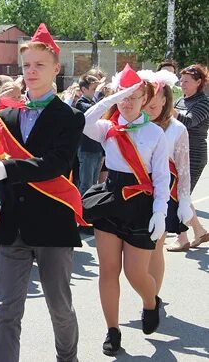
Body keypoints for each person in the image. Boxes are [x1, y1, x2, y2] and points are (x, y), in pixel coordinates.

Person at [0, 24, 83, 362]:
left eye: (39, 65)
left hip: (53, 224)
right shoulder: (6, 115)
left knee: (59, 307)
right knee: (7, 310)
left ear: (56, 68)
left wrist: (6, 168)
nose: (32, 71)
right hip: (13, 226)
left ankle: (67, 358)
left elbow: (55, 164)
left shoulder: (69, 116)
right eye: (26, 66)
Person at [80, 64, 169, 356]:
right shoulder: (108, 128)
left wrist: (160, 211)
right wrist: (108, 100)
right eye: (123, 95)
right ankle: (113, 330)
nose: (128, 102)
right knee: (108, 270)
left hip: (141, 204)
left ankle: (150, 302)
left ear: (146, 99)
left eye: (134, 96)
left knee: (135, 273)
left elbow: (160, 178)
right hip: (110, 200)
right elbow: (83, 122)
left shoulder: (155, 133)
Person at [141, 69, 193, 297]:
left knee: (155, 249)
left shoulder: (177, 129)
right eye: (145, 104)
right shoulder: (135, 123)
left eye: (153, 106)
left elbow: (183, 169)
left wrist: (184, 202)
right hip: (135, 193)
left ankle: (152, 298)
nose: (148, 111)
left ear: (165, 100)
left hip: (162, 195)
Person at [170, 64, 209, 250]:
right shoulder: (181, 101)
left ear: (198, 82)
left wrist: (166, 107)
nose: (182, 84)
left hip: (194, 154)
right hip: (178, 152)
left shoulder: (204, 102)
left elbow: (189, 121)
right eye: (181, 80)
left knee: (180, 196)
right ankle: (200, 231)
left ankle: (182, 237)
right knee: (181, 193)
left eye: (186, 81)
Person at [75, 74, 103, 194]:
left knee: (94, 183)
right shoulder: (81, 103)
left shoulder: (92, 102)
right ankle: (82, 210)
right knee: (86, 184)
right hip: (86, 149)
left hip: (96, 149)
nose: (95, 92)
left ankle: (89, 209)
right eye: (93, 89)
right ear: (83, 90)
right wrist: (98, 96)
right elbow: (94, 112)